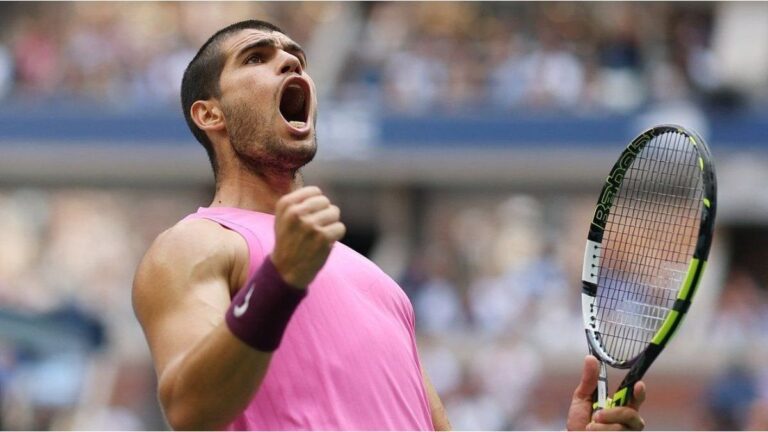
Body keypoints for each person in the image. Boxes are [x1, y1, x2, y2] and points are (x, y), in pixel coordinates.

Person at [132, 19, 647, 431]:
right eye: (256, 57)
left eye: (295, 57)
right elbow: (189, 408)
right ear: (209, 115)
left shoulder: (379, 284)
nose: (289, 60)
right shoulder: (194, 244)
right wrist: (280, 282)